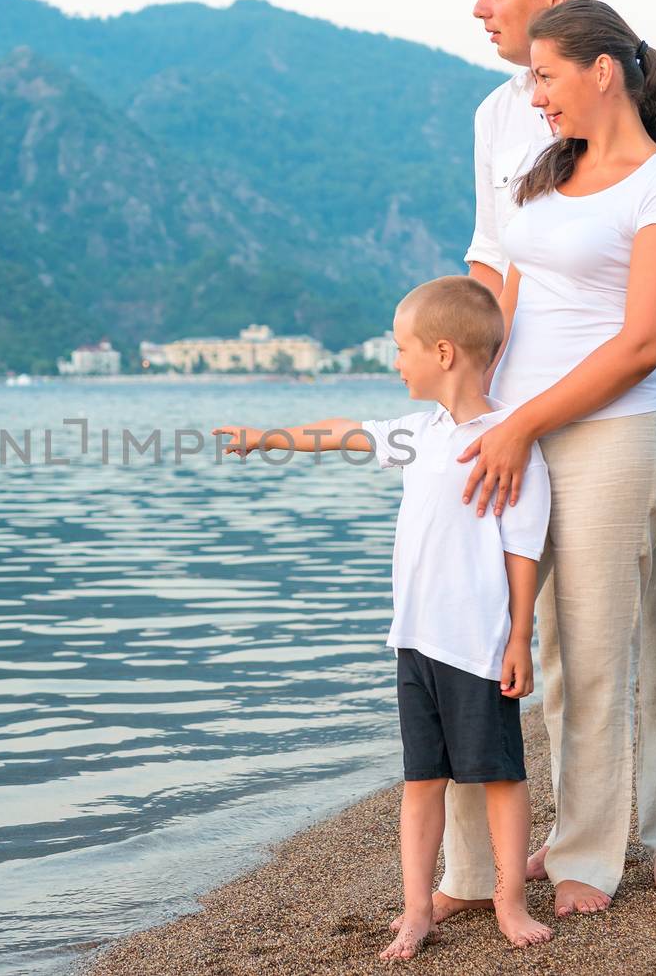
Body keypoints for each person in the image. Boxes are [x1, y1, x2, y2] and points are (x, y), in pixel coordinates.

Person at [435, 0, 656, 921]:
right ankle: (579, 819)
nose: (479, 7)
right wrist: (470, 395)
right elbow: (495, 261)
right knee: (559, 631)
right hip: (531, 389)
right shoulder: (498, 115)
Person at [212, 276, 553, 958]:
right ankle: (416, 909)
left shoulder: (508, 442)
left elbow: (524, 548)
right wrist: (267, 437)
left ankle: (510, 903)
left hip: (479, 646)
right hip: (415, 644)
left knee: (500, 778)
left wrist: (520, 637)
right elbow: (341, 433)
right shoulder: (417, 435)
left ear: (445, 353)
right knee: (421, 781)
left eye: (403, 349)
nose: (395, 362)